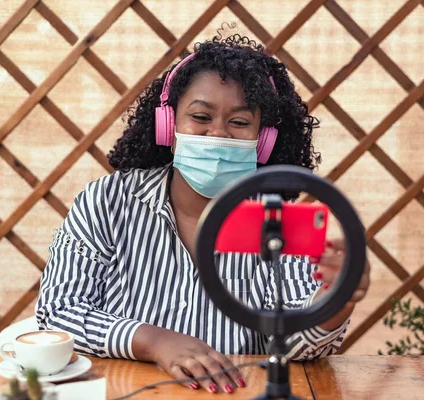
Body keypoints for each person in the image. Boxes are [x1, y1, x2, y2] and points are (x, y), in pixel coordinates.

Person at [36, 33, 370, 394]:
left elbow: (298, 345)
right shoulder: (107, 202)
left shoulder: (277, 220)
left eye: (240, 123)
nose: (218, 134)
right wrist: (153, 340)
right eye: (200, 116)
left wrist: (335, 299)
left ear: (264, 140)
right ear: (169, 126)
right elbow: (57, 314)